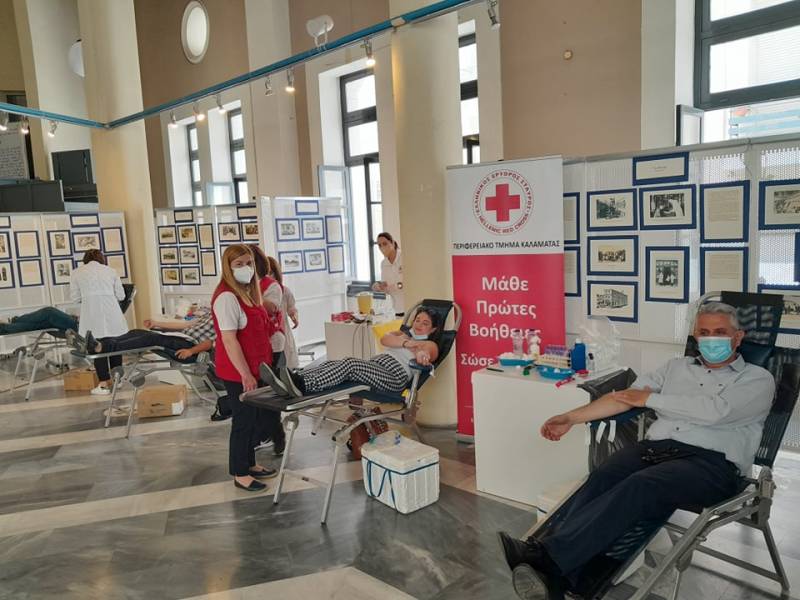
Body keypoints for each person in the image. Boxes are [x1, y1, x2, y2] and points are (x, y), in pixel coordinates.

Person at [497, 302, 775, 600]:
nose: (711, 339)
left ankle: (545, 558)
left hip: (712, 466)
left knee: (643, 485)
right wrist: (570, 418)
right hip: (658, 449)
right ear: (695, 336)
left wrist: (650, 400)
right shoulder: (675, 368)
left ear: (738, 337)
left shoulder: (757, 379)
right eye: (704, 332)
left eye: (720, 332)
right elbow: (625, 398)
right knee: (604, 475)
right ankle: (560, 579)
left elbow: (716, 412)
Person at [211, 244, 282, 492]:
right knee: (243, 421)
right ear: (228, 268)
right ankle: (240, 473)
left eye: (249, 263)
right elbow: (229, 340)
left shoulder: (248, 293)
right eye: (239, 264)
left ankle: (250, 463)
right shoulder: (227, 297)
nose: (246, 268)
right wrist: (245, 374)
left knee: (253, 419)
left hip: (256, 367)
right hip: (239, 372)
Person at [259, 309, 439, 399]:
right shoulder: (403, 335)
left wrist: (420, 354)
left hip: (394, 377)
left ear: (433, 330)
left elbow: (426, 354)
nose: (419, 325)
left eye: (425, 323)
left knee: (350, 364)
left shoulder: (430, 344)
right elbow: (385, 339)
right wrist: (407, 343)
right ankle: (290, 379)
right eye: (417, 320)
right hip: (378, 365)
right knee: (332, 363)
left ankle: (303, 385)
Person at [66, 314, 215, 382]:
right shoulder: (209, 314)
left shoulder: (222, 318)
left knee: (151, 339)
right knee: (136, 332)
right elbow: (184, 325)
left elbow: (211, 343)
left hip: (191, 346)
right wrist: (157, 324)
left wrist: (191, 351)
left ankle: (99, 346)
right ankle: (97, 344)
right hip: (181, 338)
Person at [69, 249, 128, 395]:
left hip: (91, 315)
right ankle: (117, 380)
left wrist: (90, 297)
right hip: (112, 313)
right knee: (115, 345)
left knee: (96, 347)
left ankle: (103, 384)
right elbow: (121, 295)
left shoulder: (76, 273)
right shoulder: (111, 271)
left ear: (85, 260)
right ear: (102, 259)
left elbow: (75, 298)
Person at [372, 232, 404, 316]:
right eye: (379, 245)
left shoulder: (404, 257)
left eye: (385, 244)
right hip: (396, 309)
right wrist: (379, 286)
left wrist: (396, 286)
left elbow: (410, 282)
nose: (382, 247)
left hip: (409, 305)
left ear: (392, 242)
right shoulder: (383, 264)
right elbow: (385, 286)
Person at [0, 307, 77, 336]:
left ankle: (12, 322)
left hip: (77, 326)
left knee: (49, 311)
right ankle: (6, 326)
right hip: (75, 324)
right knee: (40, 324)